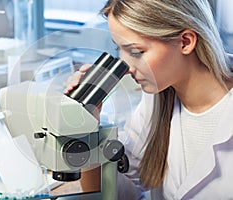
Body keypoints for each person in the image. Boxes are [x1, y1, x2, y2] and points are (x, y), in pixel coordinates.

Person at [64, 0, 233, 199]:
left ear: (186, 42)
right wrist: (87, 129)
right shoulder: (157, 99)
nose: (126, 67)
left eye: (136, 52)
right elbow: (118, 194)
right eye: (120, 50)